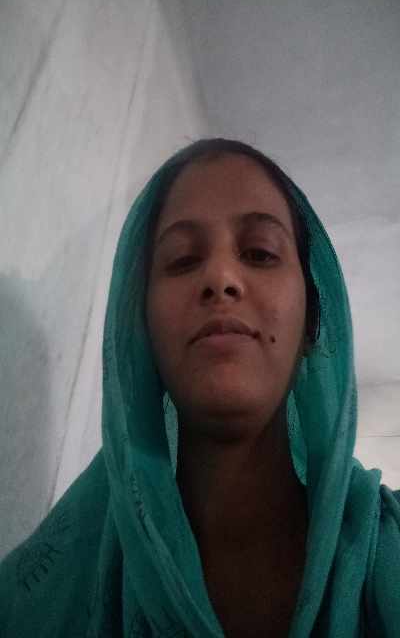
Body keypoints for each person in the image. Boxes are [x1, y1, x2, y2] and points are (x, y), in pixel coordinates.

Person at [0, 138, 399, 637]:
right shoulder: (38, 597)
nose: (221, 277)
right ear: (142, 330)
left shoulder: (389, 550)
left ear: (311, 326)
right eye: (183, 259)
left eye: (260, 252)